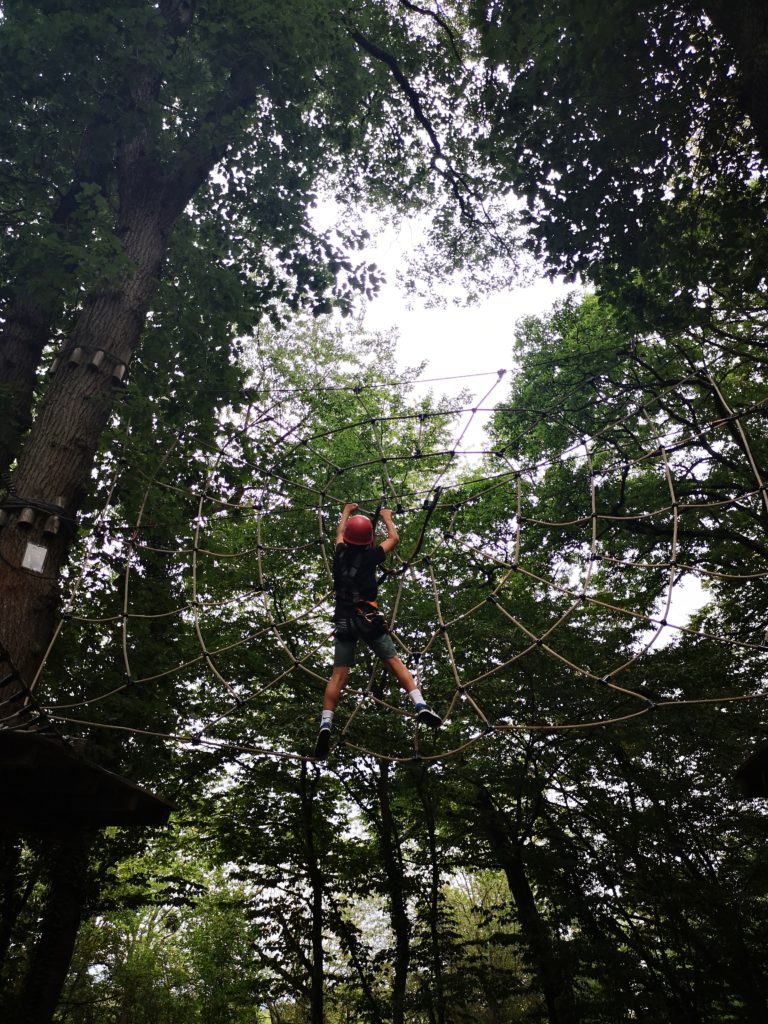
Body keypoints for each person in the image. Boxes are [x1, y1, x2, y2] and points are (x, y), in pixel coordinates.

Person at [314, 502, 441, 759]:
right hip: (368, 618)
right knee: (393, 662)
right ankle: (420, 705)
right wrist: (386, 517)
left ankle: (326, 724)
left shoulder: (339, 554)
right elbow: (394, 538)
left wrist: (346, 512)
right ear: (369, 540)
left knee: (338, 675)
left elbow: (339, 534)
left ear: (348, 539)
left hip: (344, 621)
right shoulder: (371, 556)